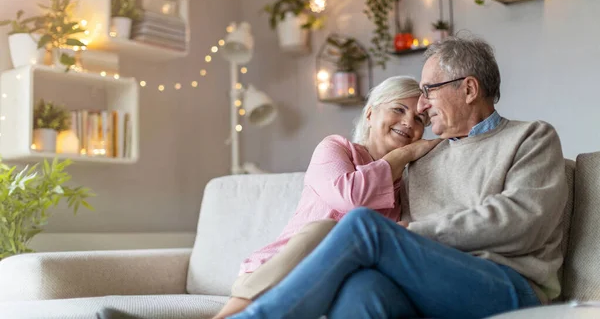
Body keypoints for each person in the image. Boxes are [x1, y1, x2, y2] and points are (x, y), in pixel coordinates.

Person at [227, 34, 569, 319]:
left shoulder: (532, 137)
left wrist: (415, 233)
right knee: (359, 288)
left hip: (508, 286)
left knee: (364, 226)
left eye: (429, 90)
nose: (421, 106)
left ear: (468, 90)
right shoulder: (423, 158)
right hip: (428, 282)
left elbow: (524, 222)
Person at [213, 76, 441, 318]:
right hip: (275, 274)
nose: (408, 122)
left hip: (334, 285)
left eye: (419, 119)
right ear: (370, 114)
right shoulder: (335, 149)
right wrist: (403, 155)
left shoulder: (406, 185)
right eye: (399, 109)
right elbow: (351, 198)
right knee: (326, 229)